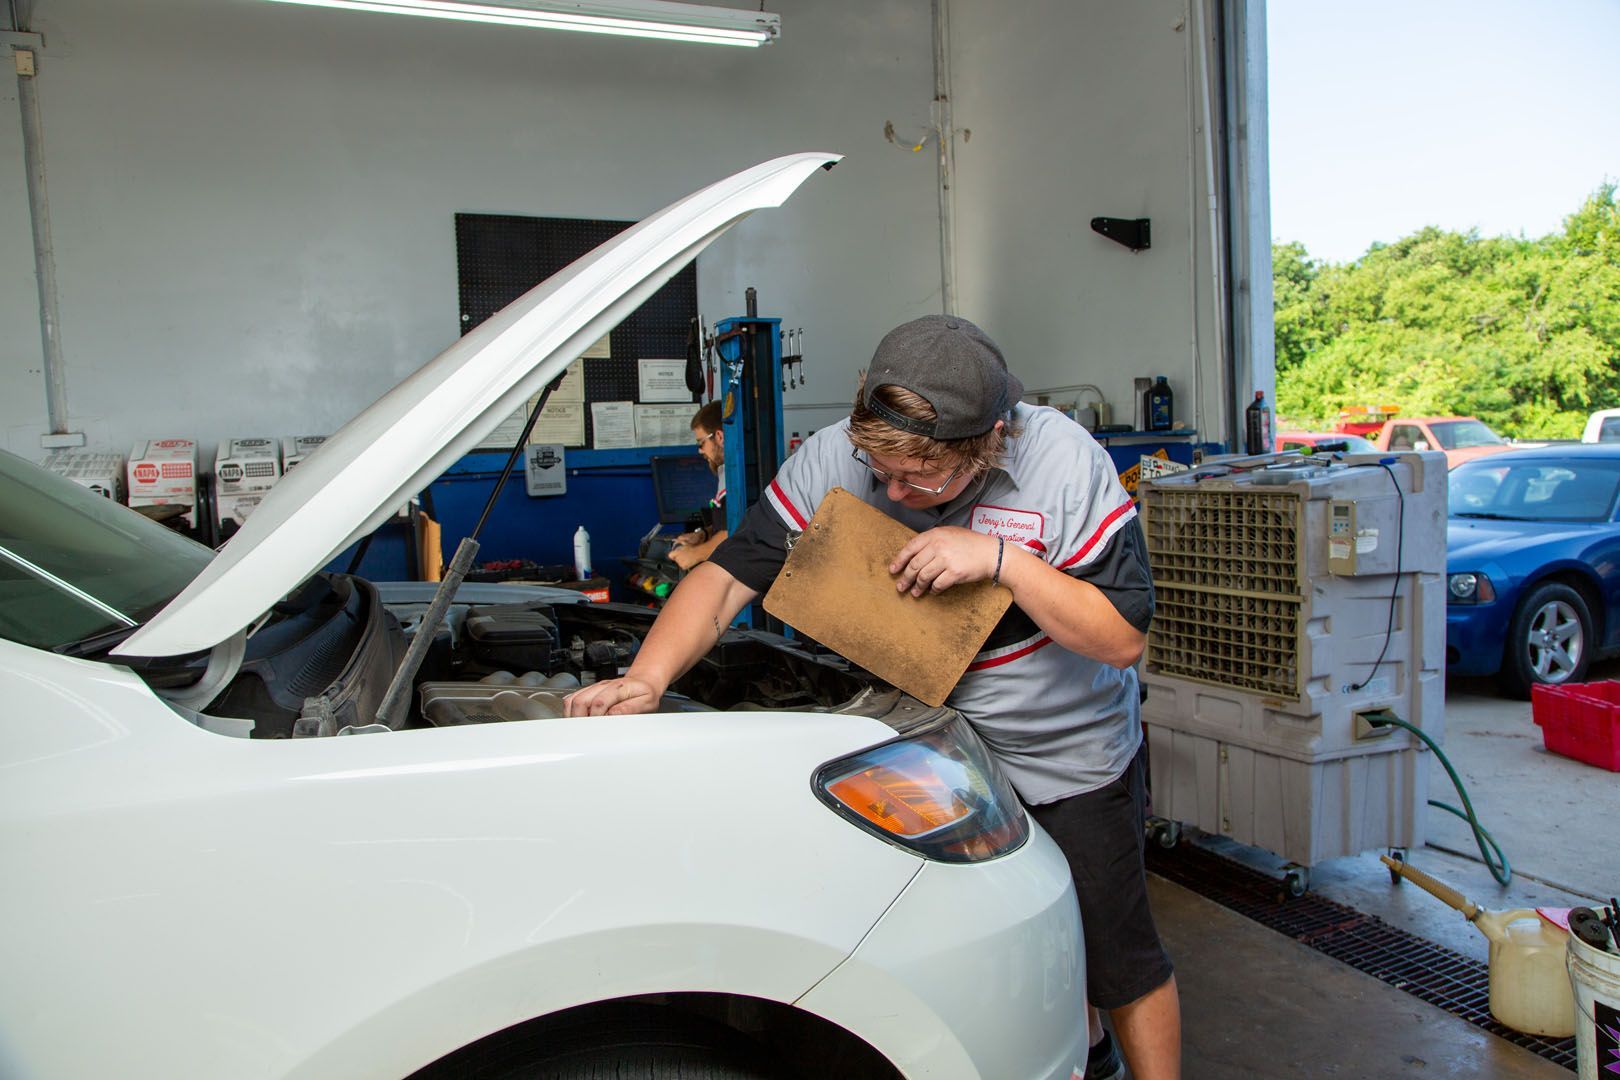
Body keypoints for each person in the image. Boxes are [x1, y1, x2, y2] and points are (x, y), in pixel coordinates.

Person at [567, 315, 1181, 1079]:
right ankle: (1081, 1053)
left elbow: (1122, 637)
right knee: (996, 931)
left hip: (1063, 751)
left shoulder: (1061, 462)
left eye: (917, 480)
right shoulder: (835, 458)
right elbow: (725, 578)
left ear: (988, 440)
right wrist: (647, 678)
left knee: (1114, 953)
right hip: (930, 743)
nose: (889, 492)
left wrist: (999, 560)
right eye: (876, 468)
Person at [669, 400, 727, 571]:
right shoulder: (725, 471)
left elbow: (736, 534)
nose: (700, 450)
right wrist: (703, 535)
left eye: (701, 443)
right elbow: (729, 523)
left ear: (719, 437)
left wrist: (694, 555)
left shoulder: (738, 475)